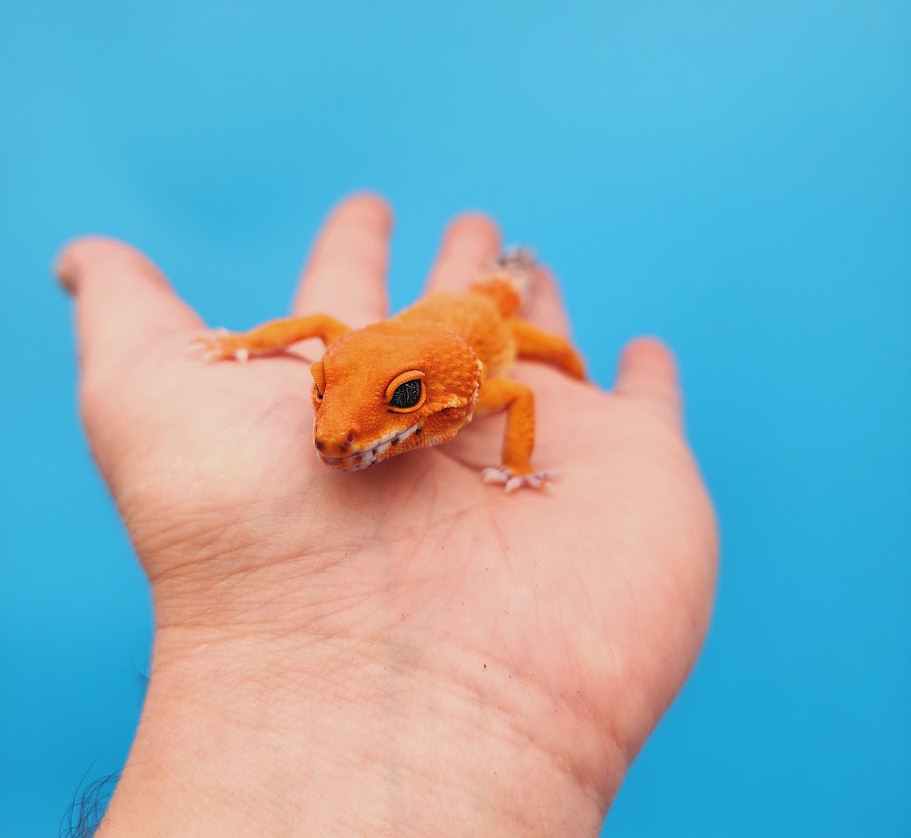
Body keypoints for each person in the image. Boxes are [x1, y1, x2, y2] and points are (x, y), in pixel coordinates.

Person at [57, 193, 717, 836]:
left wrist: (523, 458)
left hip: (483, 318)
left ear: (450, 399)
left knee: (558, 358)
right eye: (322, 386)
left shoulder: (485, 383)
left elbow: (517, 395)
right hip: (417, 330)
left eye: (402, 398)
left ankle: (514, 286)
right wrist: (253, 343)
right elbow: (319, 326)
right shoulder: (347, 359)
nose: (330, 437)